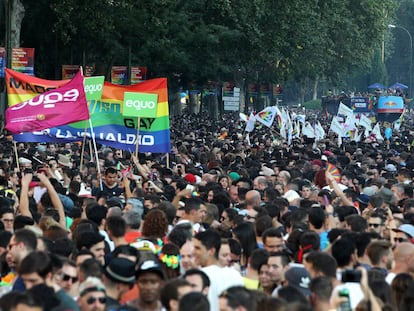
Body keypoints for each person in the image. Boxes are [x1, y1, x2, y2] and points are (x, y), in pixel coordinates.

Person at [193, 230, 243, 311]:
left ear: (212, 251)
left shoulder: (199, 276)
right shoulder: (235, 274)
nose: (193, 252)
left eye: (198, 248)